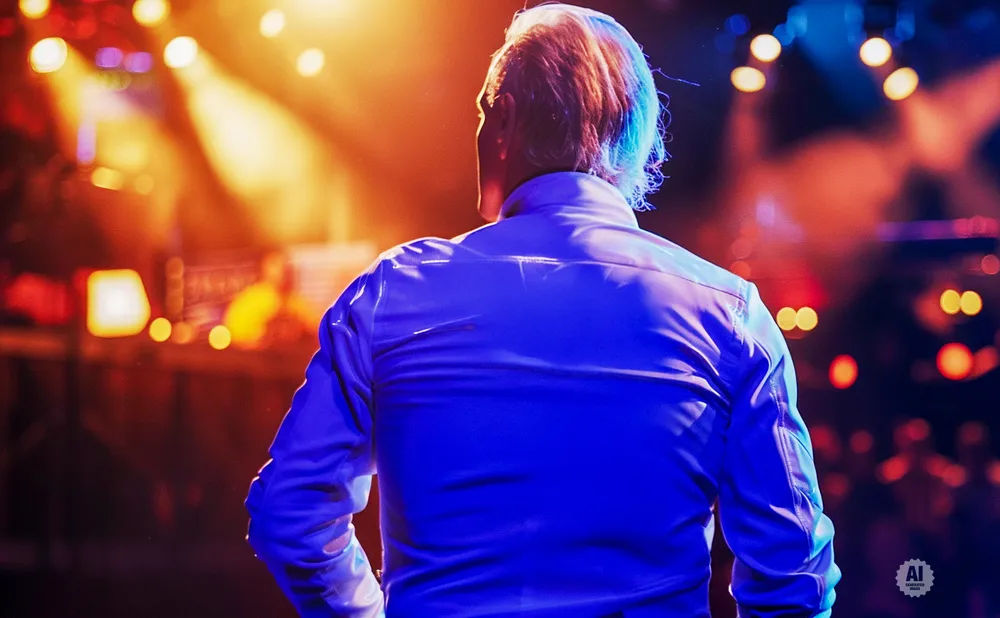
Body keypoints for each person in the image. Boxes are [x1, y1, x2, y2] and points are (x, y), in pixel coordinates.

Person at [245, 4, 839, 617]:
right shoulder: (728, 316)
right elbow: (794, 575)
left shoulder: (393, 293)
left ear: (500, 122)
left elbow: (289, 515)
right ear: (639, 142)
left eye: (481, 114)